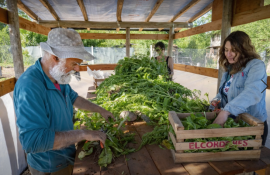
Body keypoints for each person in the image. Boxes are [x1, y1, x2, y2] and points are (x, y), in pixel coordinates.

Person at [14, 28, 114, 175]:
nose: (77, 68)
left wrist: (100, 110)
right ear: (55, 57)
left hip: (66, 155)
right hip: (49, 166)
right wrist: (83, 134)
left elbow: (74, 98)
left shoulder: (57, 77)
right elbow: (33, 141)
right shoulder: (29, 86)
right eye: (74, 63)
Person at [211, 31, 268, 145]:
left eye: (234, 50)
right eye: (226, 50)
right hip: (233, 124)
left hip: (252, 125)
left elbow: (253, 93)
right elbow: (223, 92)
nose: (229, 54)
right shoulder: (229, 68)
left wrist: (226, 111)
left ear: (244, 50)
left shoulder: (256, 66)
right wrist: (216, 100)